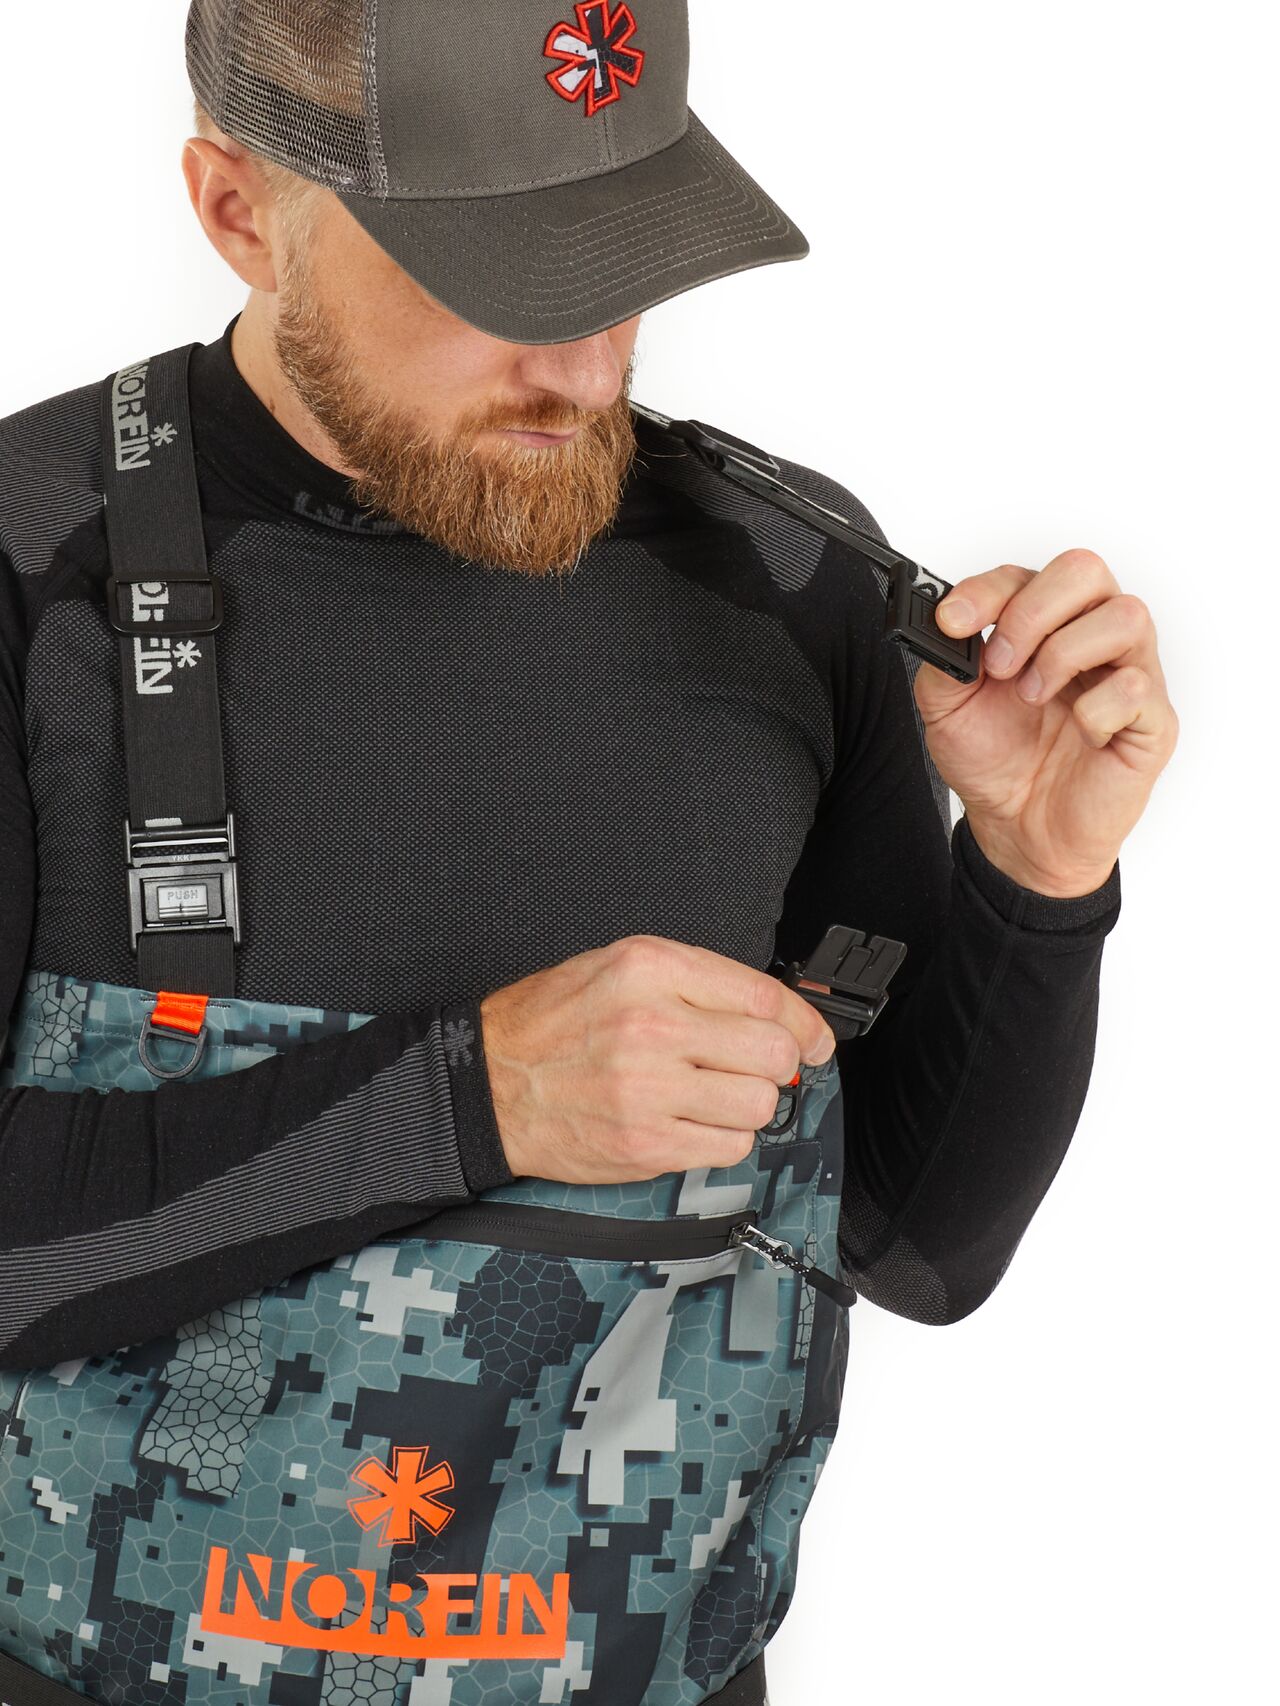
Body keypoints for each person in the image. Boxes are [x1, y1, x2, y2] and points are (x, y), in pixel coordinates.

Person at [0, 3, 1178, 1703]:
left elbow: (908, 1247)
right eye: (489, 279)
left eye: (619, 265)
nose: (582, 367)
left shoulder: (782, 585)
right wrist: (472, 1098)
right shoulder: (35, 568)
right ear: (238, 210)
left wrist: (1037, 877)